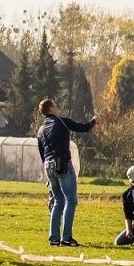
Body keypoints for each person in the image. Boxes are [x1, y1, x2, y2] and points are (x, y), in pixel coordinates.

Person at [36, 97, 95, 247]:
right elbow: (83, 128)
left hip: (48, 165)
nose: (57, 109)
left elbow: (41, 152)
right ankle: (66, 237)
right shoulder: (60, 121)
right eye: (55, 106)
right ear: (51, 109)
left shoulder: (41, 129)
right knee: (70, 199)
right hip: (61, 163)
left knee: (57, 200)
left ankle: (53, 237)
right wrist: (94, 121)